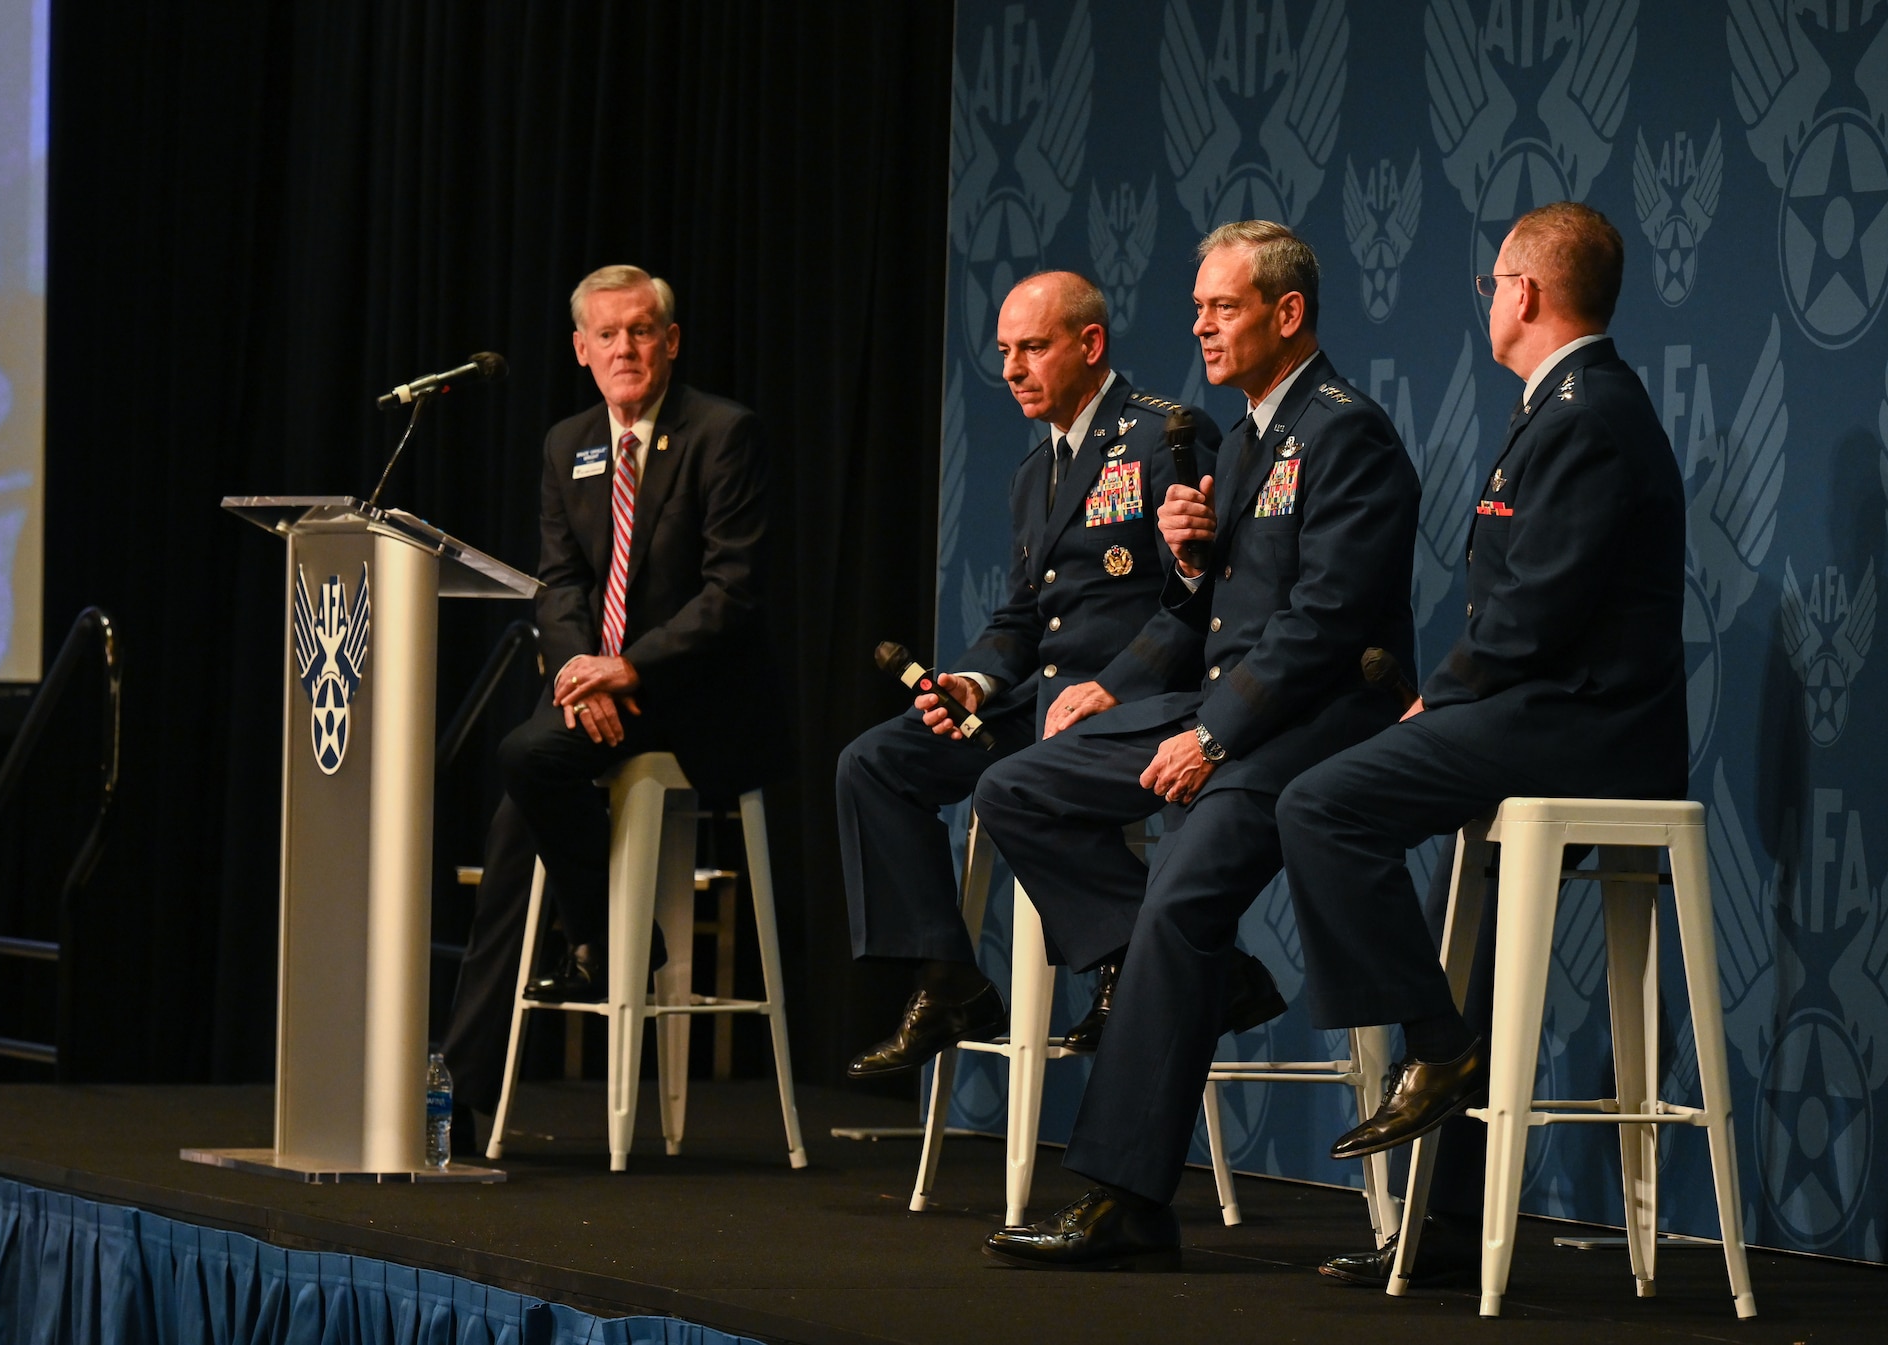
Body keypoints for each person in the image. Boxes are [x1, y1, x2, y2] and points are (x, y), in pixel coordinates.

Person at [976, 220, 1420, 1270]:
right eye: (1198, 308)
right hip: (1224, 713)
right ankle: (1198, 977)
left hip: (1307, 730)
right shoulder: (1247, 436)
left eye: (1221, 307)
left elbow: (1322, 623)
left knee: (1179, 900)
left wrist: (1210, 739)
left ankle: (1126, 1200)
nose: (1200, 326)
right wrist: (1165, 597)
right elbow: (1206, 617)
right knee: (1017, 785)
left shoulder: (1342, 431)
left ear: (1285, 313)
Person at [1274, 201, 1686, 1285]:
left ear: (1525, 293)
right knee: (1463, 937)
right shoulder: (1560, 403)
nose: (1488, 301)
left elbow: (1536, 611)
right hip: (1546, 712)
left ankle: (1435, 1048)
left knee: (1319, 804)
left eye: (1491, 284)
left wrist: (1440, 698)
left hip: (1578, 727)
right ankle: (1446, 1220)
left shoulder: (1586, 412)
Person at [838, 271, 1219, 1076]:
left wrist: (1115, 683)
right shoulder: (1030, 472)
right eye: (1006, 350)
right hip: (1036, 705)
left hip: (1136, 706)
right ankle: (947, 977)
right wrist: (973, 683)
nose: (1011, 368)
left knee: (1010, 784)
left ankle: (1126, 959)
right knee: (875, 761)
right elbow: (1021, 618)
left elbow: (1198, 597)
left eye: (1033, 348)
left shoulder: (1164, 436)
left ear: (1090, 344)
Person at [442, 265, 778, 1139]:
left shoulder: (721, 433)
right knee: (522, 800)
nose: (623, 347)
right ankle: (481, 1080)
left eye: (640, 331)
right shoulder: (569, 443)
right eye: (607, 334)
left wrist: (624, 670)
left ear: (669, 341)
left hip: (694, 695)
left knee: (525, 761)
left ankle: (577, 958)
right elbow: (559, 582)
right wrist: (576, 667)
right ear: (581, 350)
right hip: (601, 688)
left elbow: (730, 593)